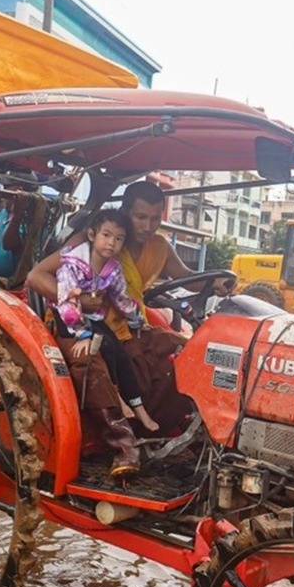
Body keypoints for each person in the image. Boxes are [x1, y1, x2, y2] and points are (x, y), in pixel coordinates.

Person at [28, 177, 230, 435]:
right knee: (97, 363)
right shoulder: (91, 242)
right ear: (125, 213)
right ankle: (121, 441)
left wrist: (214, 280)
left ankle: (169, 433)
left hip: (133, 326)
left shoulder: (160, 247)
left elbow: (186, 277)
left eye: (155, 218)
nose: (149, 226)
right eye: (141, 217)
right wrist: (79, 300)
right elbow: (36, 277)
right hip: (87, 326)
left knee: (189, 352)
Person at [54, 210, 159, 435]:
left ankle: (139, 408)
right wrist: (81, 333)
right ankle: (117, 399)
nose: (111, 243)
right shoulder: (72, 263)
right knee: (105, 350)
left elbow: (122, 299)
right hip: (67, 318)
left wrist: (137, 320)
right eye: (107, 235)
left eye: (119, 239)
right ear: (92, 235)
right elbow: (66, 302)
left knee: (120, 352)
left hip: (93, 317)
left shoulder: (113, 268)